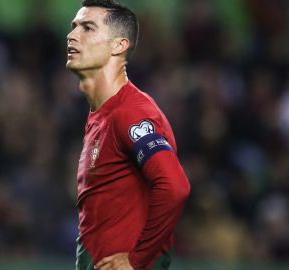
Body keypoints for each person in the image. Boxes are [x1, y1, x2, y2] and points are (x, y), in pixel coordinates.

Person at [66, 1, 191, 269]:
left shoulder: (131, 112)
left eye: (87, 27)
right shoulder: (101, 114)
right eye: (74, 26)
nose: (72, 35)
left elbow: (175, 186)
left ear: (119, 45)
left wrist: (137, 260)